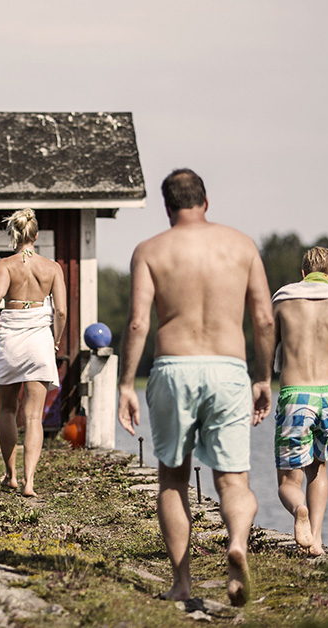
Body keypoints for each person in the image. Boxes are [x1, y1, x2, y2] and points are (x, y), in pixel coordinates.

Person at [117, 169, 274, 606]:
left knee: (173, 478)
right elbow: (263, 319)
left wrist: (126, 383)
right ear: (206, 201)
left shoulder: (150, 250)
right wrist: (263, 376)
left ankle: (183, 583)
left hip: (174, 367)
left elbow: (137, 322)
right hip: (228, 368)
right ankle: (237, 541)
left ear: (168, 208)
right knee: (233, 480)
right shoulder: (241, 245)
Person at [271, 246, 328, 557]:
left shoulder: (283, 300)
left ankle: (300, 510)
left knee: (288, 480)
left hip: (297, 393)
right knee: (319, 468)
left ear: (302, 275)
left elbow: (268, 351)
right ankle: (317, 541)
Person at [0, 208, 67, 497]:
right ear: (36, 235)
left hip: (12, 336)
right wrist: (56, 340)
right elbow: (62, 311)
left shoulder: (5, 264)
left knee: (7, 408)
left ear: (13, 235)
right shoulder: (52, 267)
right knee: (33, 416)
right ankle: (30, 481)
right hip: (40, 337)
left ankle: (10, 475)